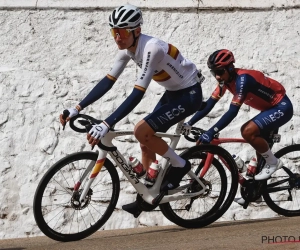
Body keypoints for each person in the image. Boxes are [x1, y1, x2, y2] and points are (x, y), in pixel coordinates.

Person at [59, 4, 203, 216]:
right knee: (145, 143)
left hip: (189, 94)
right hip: (173, 92)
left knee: (141, 131)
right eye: (114, 32)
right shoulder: (128, 50)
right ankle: (148, 193)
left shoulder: (151, 48)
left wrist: (107, 123)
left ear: (136, 31)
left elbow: (137, 93)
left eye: (123, 32)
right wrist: (76, 108)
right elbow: (107, 82)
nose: (118, 37)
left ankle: (180, 165)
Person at [184, 49, 293, 185]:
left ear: (230, 68)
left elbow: (232, 111)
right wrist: (189, 123)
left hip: (281, 107)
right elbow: (209, 105)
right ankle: (255, 190)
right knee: (259, 163)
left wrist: (211, 132)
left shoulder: (243, 80)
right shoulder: (225, 82)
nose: (217, 77)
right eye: (214, 73)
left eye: (219, 72)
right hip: (268, 110)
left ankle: (273, 162)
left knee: (247, 131)